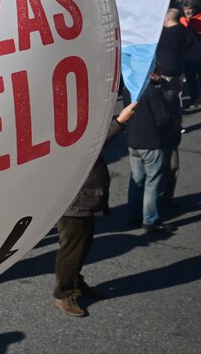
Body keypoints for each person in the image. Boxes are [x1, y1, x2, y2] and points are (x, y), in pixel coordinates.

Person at [53, 102, 137, 317]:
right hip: (76, 202)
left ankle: (75, 283)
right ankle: (63, 294)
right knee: (72, 250)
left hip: (85, 200)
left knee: (82, 246)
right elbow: (92, 144)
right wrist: (119, 123)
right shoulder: (63, 134)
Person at [124, 67, 176, 234]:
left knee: (136, 180)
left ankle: (133, 214)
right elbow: (163, 119)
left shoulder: (128, 89)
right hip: (151, 142)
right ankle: (150, 219)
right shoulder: (152, 92)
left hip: (133, 141)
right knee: (152, 182)